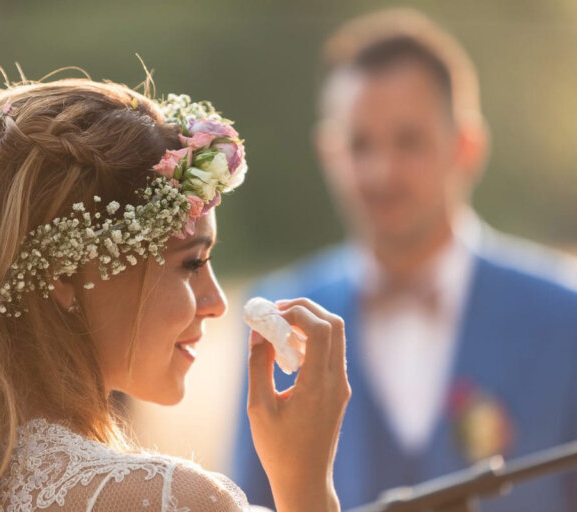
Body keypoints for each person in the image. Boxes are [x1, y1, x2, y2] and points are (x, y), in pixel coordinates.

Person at [0, 74, 350, 511]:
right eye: (191, 264)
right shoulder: (164, 502)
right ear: (65, 275)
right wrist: (304, 482)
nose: (216, 302)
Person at [230, 8, 577, 512]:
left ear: (465, 146)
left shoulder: (564, 317)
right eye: (359, 143)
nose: (381, 172)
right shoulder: (277, 319)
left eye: (409, 141)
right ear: (329, 153)